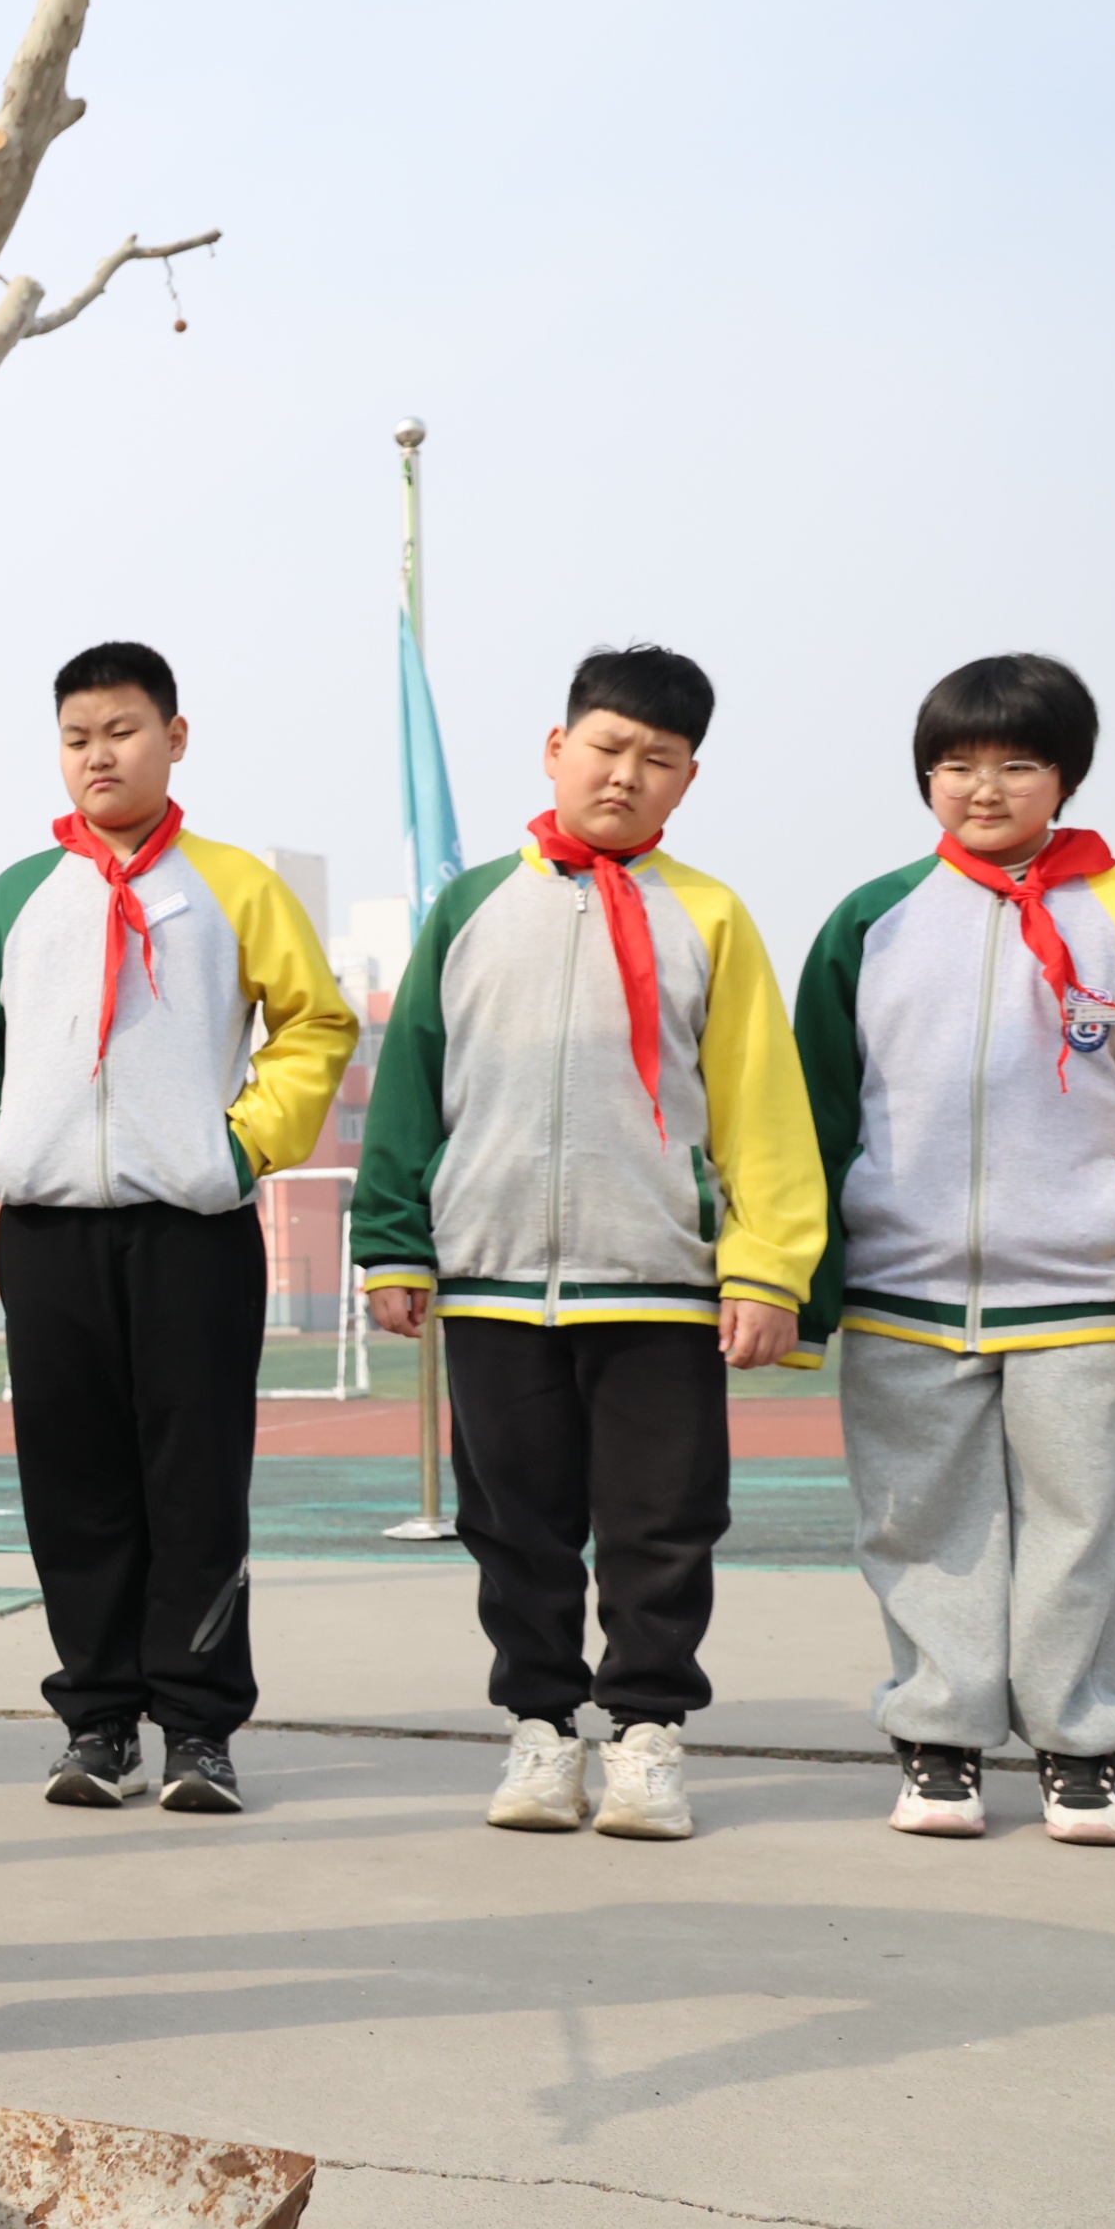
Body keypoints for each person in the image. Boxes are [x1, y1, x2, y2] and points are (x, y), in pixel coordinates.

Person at [351, 646, 823, 1843]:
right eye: (606, 748)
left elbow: (762, 1107)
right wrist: (394, 1243)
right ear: (555, 750)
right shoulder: (468, 908)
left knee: (661, 1525)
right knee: (514, 1527)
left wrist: (767, 1267)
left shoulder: (709, 915)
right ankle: (541, 1731)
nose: (624, 775)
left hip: (659, 1283)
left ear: (686, 780)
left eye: (656, 760)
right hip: (495, 1282)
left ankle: (648, 1736)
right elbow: (410, 1086)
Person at [794, 654, 1115, 1846]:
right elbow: (812, 1119)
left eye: (1016, 764)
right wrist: (803, 1292)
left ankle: (1080, 1749)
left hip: (1086, 1288)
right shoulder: (869, 920)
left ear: (1066, 776)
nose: (982, 789)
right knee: (917, 1524)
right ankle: (938, 1742)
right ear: (924, 778)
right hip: (903, 1288)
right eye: (954, 766)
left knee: (1083, 1528)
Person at [0, 643, 357, 1817]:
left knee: (195, 1480)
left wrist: (238, 1149)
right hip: (47, 1231)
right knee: (71, 1481)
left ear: (174, 737)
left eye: (120, 731)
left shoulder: (234, 887)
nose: (98, 756)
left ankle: (199, 1730)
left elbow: (314, 1023)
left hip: (192, 1230)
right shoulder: (18, 896)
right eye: (76, 738)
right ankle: (97, 1722)